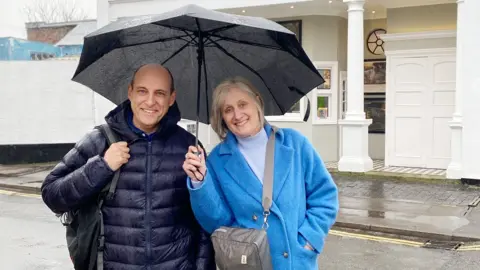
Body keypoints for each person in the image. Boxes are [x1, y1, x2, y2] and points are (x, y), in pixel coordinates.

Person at [41, 64, 215, 270]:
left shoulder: (189, 147)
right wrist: (102, 166)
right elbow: (52, 195)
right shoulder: (100, 141)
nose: (150, 101)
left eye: (160, 93)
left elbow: (203, 224)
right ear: (130, 92)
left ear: (171, 98)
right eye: (142, 91)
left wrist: (199, 182)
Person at [183, 77, 339, 270]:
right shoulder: (216, 161)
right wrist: (200, 182)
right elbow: (216, 222)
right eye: (228, 109)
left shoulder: (295, 144)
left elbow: (325, 197)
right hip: (249, 264)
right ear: (222, 117)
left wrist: (309, 240)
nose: (237, 114)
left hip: (296, 262)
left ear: (257, 101)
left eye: (242, 104)